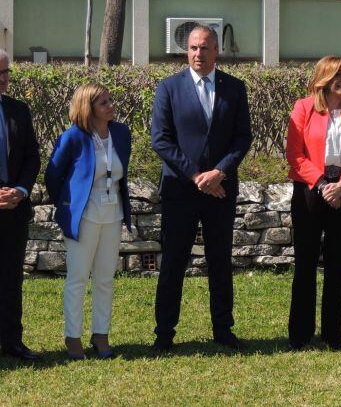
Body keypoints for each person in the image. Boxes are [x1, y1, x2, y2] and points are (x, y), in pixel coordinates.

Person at [151, 25, 252, 352]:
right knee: (173, 262)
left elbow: (242, 138)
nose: (198, 53)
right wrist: (198, 176)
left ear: (216, 50)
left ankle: (223, 329)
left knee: (220, 260)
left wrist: (220, 172)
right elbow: (161, 141)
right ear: (187, 51)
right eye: (193, 48)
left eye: (204, 48)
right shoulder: (168, 88)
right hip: (180, 189)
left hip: (221, 191)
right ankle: (164, 334)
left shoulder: (235, 89)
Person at [285, 56, 341, 351]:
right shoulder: (303, 108)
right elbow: (295, 155)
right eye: (337, 75)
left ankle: (333, 335)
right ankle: (300, 335)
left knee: (337, 267)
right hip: (310, 191)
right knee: (305, 265)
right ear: (324, 77)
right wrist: (322, 185)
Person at [46, 84, 131, 360]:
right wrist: (68, 204)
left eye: (110, 99)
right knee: (78, 278)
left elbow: (121, 174)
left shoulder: (121, 133)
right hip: (83, 214)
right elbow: (53, 176)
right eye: (103, 102)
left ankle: (101, 334)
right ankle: (73, 338)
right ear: (88, 108)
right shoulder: (73, 136)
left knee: (105, 277)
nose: (110, 105)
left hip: (113, 212)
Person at [0, 49, 41, 362]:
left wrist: (21, 190)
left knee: (11, 278)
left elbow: (31, 156)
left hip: (14, 209)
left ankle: (12, 341)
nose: (3, 79)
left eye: (6, 73)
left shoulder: (18, 110)